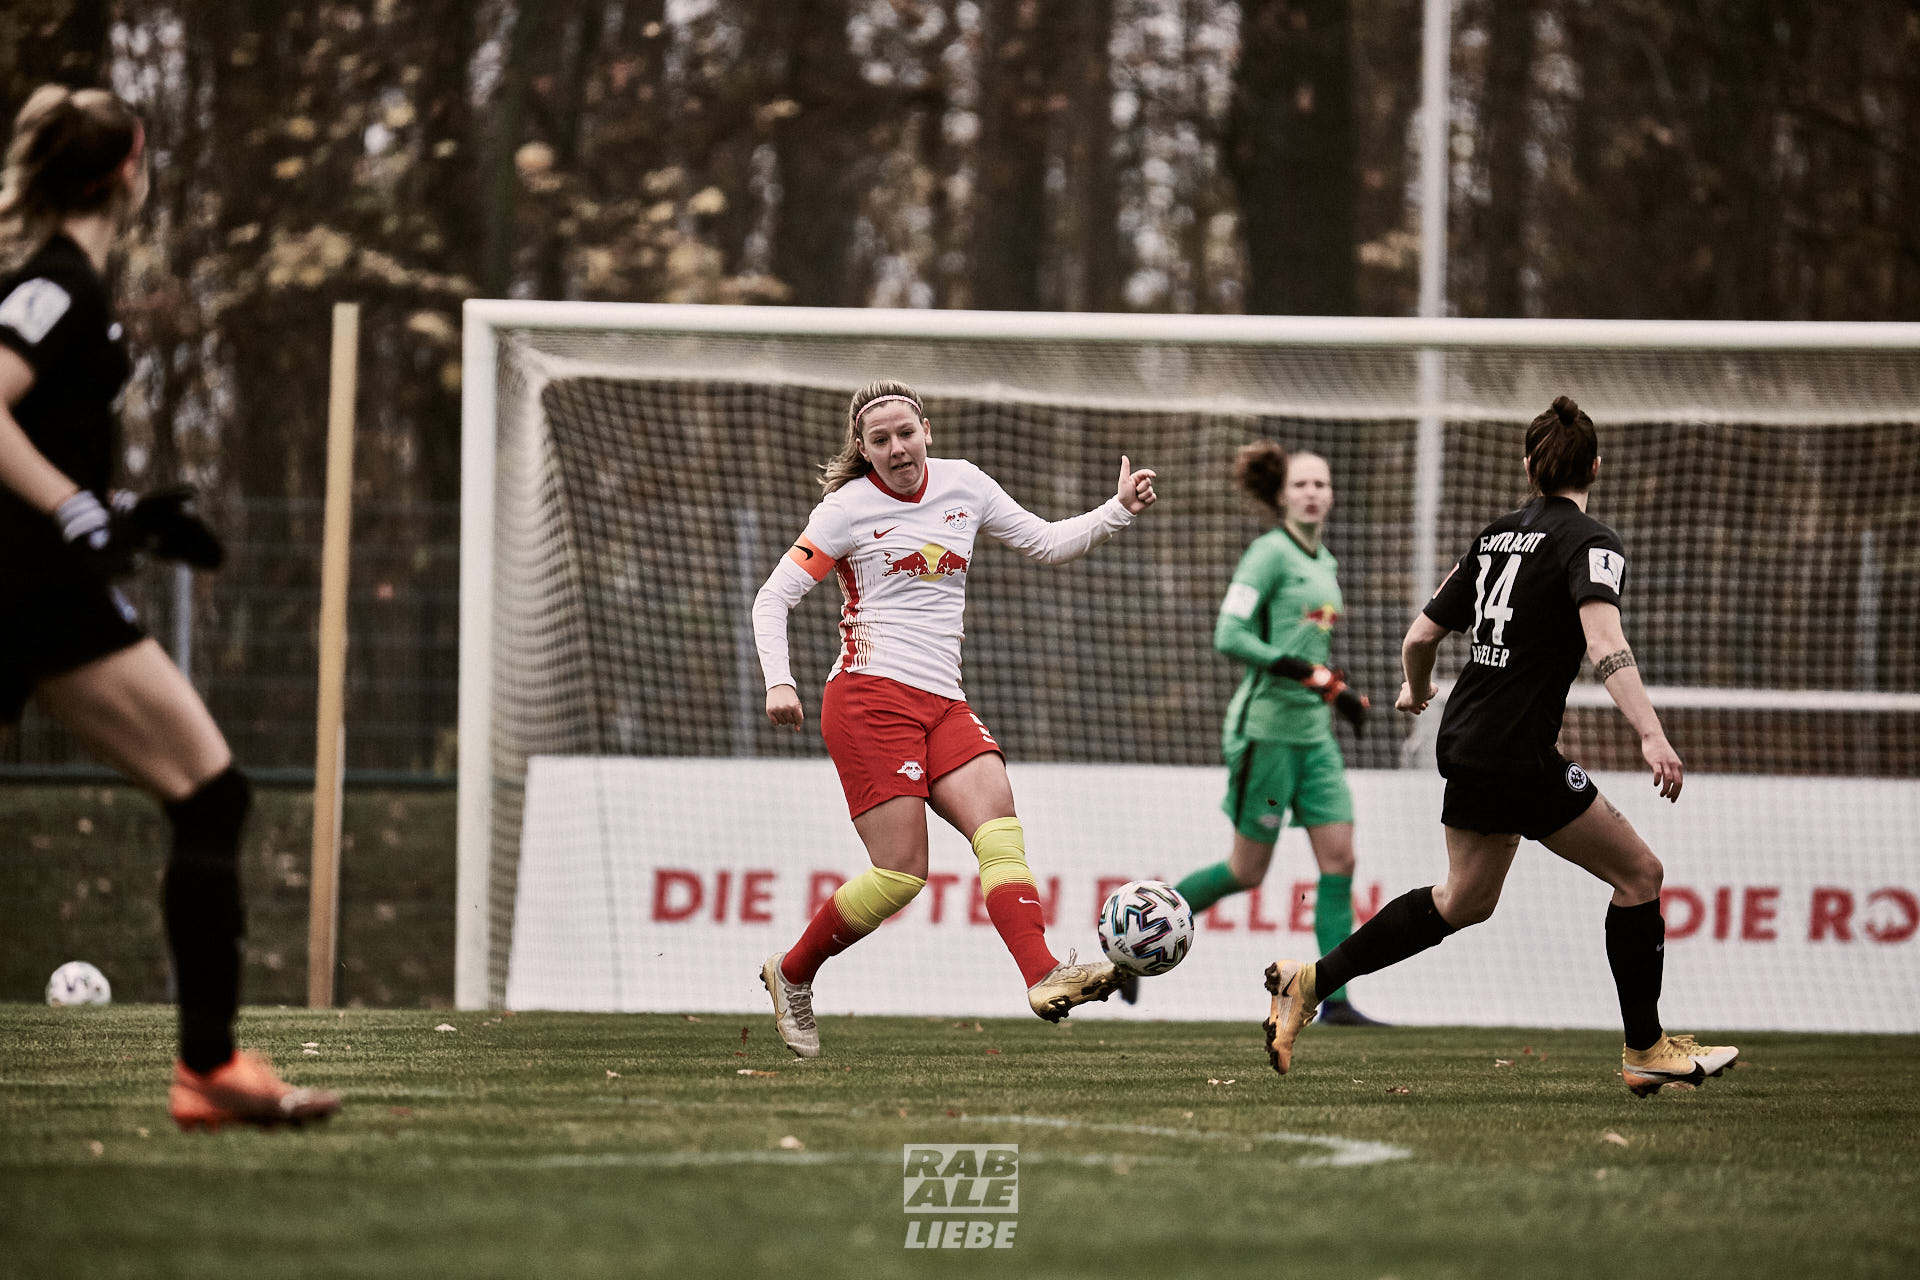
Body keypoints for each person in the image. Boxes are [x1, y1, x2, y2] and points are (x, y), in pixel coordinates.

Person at [0, 85, 339, 1130]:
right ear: (131, 170)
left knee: (210, 796)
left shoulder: (79, 290)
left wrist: (124, 514)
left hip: (37, 581)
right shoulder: (53, 285)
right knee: (211, 792)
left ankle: (209, 1068)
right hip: (27, 589)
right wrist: (70, 509)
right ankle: (206, 1069)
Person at [1262, 396, 1737, 1096]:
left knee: (1463, 900)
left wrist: (1414, 690)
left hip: (1466, 740)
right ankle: (1646, 1049)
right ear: (1595, 468)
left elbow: (1421, 636)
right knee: (1640, 876)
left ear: (1528, 467)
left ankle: (1309, 982)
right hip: (1517, 751)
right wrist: (1651, 731)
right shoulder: (1592, 542)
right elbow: (1606, 643)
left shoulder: (1495, 538)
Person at [751, 379, 1158, 1057]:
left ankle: (1042, 975)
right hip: (868, 700)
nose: (896, 447)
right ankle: (791, 973)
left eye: (905, 433)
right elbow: (773, 599)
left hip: (943, 702)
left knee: (1000, 831)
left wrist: (1117, 508)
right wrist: (779, 682)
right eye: (879, 439)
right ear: (863, 448)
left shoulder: (965, 485)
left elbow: (1048, 544)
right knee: (902, 874)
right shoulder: (844, 510)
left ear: (926, 431)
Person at [1122, 443, 1381, 1026]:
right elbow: (1229, 634)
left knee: (1340, 860)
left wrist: (1336, 692)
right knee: (1247, 871)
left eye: (1322, 483)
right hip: (1265, 734)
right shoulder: (1267, 554)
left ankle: (1334, 1000)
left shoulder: (1326, 563)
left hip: (1315, 739)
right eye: (1302, 484)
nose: (1313, 492)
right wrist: (1309, 674)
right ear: (1281, 495)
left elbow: (1310, 653)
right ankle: (1131, 950)